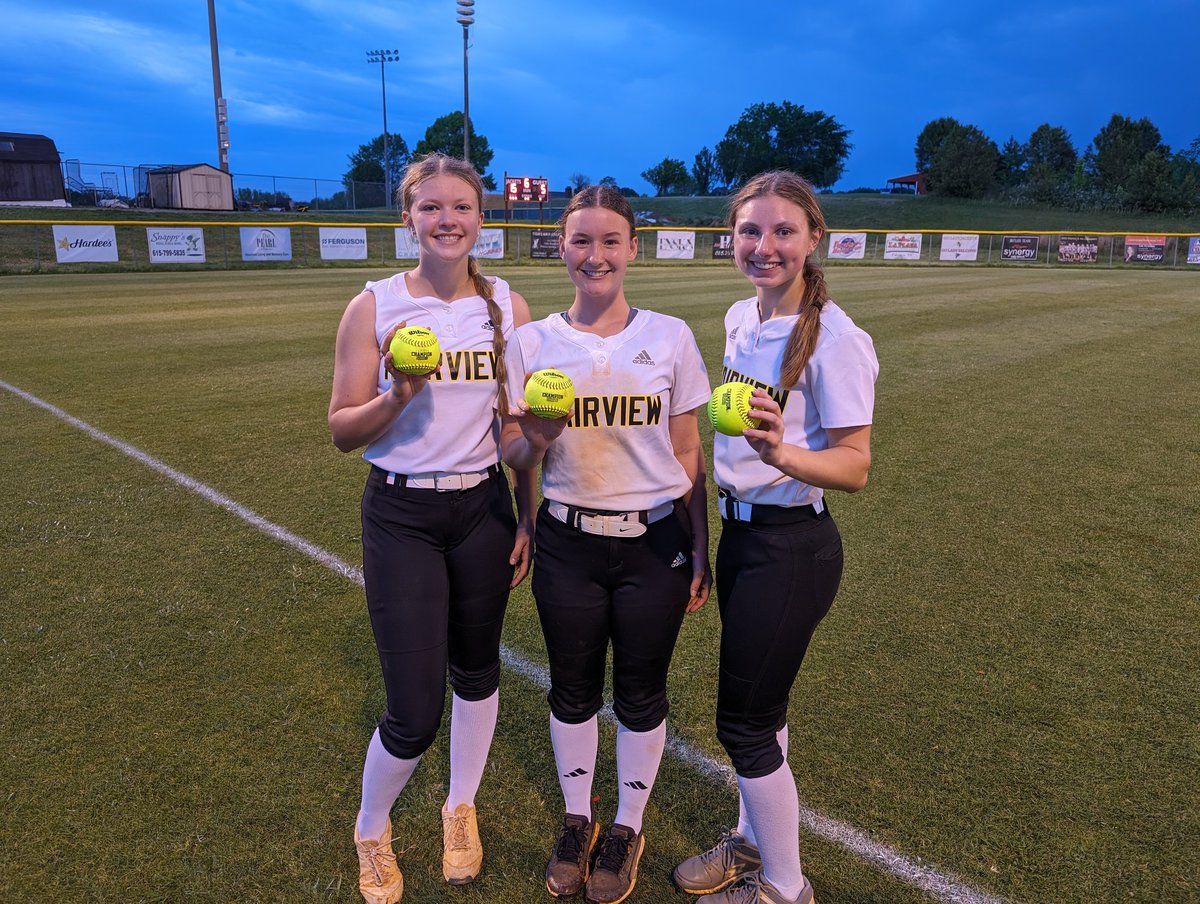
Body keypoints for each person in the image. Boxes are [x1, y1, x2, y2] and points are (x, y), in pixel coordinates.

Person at [328, 152, 536, 904]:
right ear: (408, 219)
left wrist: (529, 515)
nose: (449, 221)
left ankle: (459, 808)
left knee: (478, 674)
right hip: (403, 513)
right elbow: (343, 431)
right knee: (413, 710)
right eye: (432, 208)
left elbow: (517, 427)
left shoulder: (507, 307)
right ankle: (372, 827)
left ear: (481, 219)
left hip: (482, 509)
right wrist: (397, 394)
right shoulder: (375, 305)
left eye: (463, 208)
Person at [500, 185, 712, 904]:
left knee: (642, 692)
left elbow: (689, 452)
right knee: (572, 688)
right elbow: (512, 451)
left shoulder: (671, 335)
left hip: (655, 542)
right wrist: (535, 437)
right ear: (561, 247)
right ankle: (578, 817)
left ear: (632, 248)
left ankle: (626, 824)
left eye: (610, 241)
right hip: (569, 542)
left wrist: (701, 547)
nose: (596, 255)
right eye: (581, 241)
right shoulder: (530, 343)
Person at [672, 171, 878, 904]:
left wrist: (782, 455)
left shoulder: (838, 340)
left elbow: (854, 467)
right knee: (767, 711)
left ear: (813, 238)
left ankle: (785, 888)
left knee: (744, 724)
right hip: (742, 540)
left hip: (793, 547)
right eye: (751, 231)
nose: (765, 246)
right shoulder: (739, 318)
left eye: (784, 231)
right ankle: (752, 840)